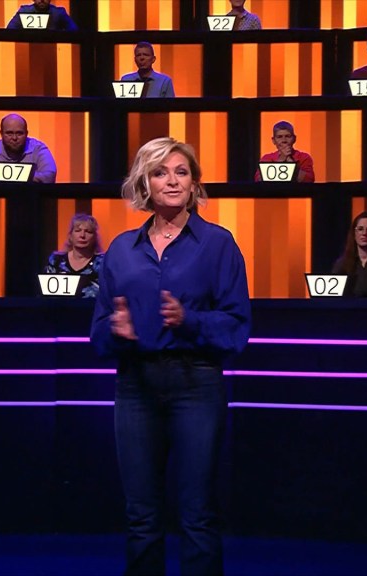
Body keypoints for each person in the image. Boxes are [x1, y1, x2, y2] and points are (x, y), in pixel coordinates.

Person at [90, 137, 251, 575]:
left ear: (195, 183)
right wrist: (116, 331)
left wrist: (189, 320)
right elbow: (98, 330)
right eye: (161, 172)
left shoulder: (218, 244)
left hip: (196, 383)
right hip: (135, 386)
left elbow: (237, 325)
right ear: (145, 182)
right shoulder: (121, 249)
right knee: (141, 516)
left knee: (197, 513)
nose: (173, 181)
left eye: (182, 172)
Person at [0, 114, 57, 183]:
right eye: (9, 133)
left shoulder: (38, 148)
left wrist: (2, 174)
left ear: (26, 134)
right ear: (1, 133)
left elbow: (49, 176)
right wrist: (31, 176)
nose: (14, 138)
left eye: (19, 133)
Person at [43, 213, 105, 299]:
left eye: (88, 232)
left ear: (95, 237)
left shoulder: (103, 262)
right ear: (70, 236)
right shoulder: (56, 261)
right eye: (77, 231)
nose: (82, 235)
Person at [6, 0, 77, 30]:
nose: (42, 0)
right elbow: (10, 31)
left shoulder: (59, 13)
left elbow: (74, 31)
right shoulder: (24, 11)